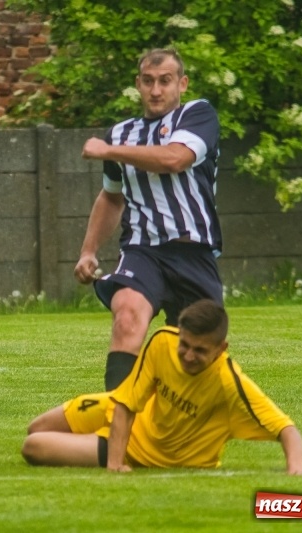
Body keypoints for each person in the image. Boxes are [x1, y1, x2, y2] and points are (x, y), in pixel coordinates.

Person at [76, 48, 224, 391]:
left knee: (198, 356)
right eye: (148, 81)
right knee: (127, 314)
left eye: (165, 81)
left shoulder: (198, 114)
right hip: (143, 251)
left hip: (194, 252)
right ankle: (118, 418)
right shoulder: (121, 133)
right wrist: (88, 251)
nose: (156, 90)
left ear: (182, 84)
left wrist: (108, 151)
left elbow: (174, 158)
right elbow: (111, 196)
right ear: (138, 85)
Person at [21, 300, 302, 475]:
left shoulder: (231, 383)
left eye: (200, 350)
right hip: (118, 408)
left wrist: (295, 471)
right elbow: (127, 401)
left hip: (141, 450)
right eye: (185, 344)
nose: (188, 355)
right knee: (36, 427)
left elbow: (287, 429)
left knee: (33, 447)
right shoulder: (162, 341)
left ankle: (103, 447)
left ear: (221, 348)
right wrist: (114, 467)